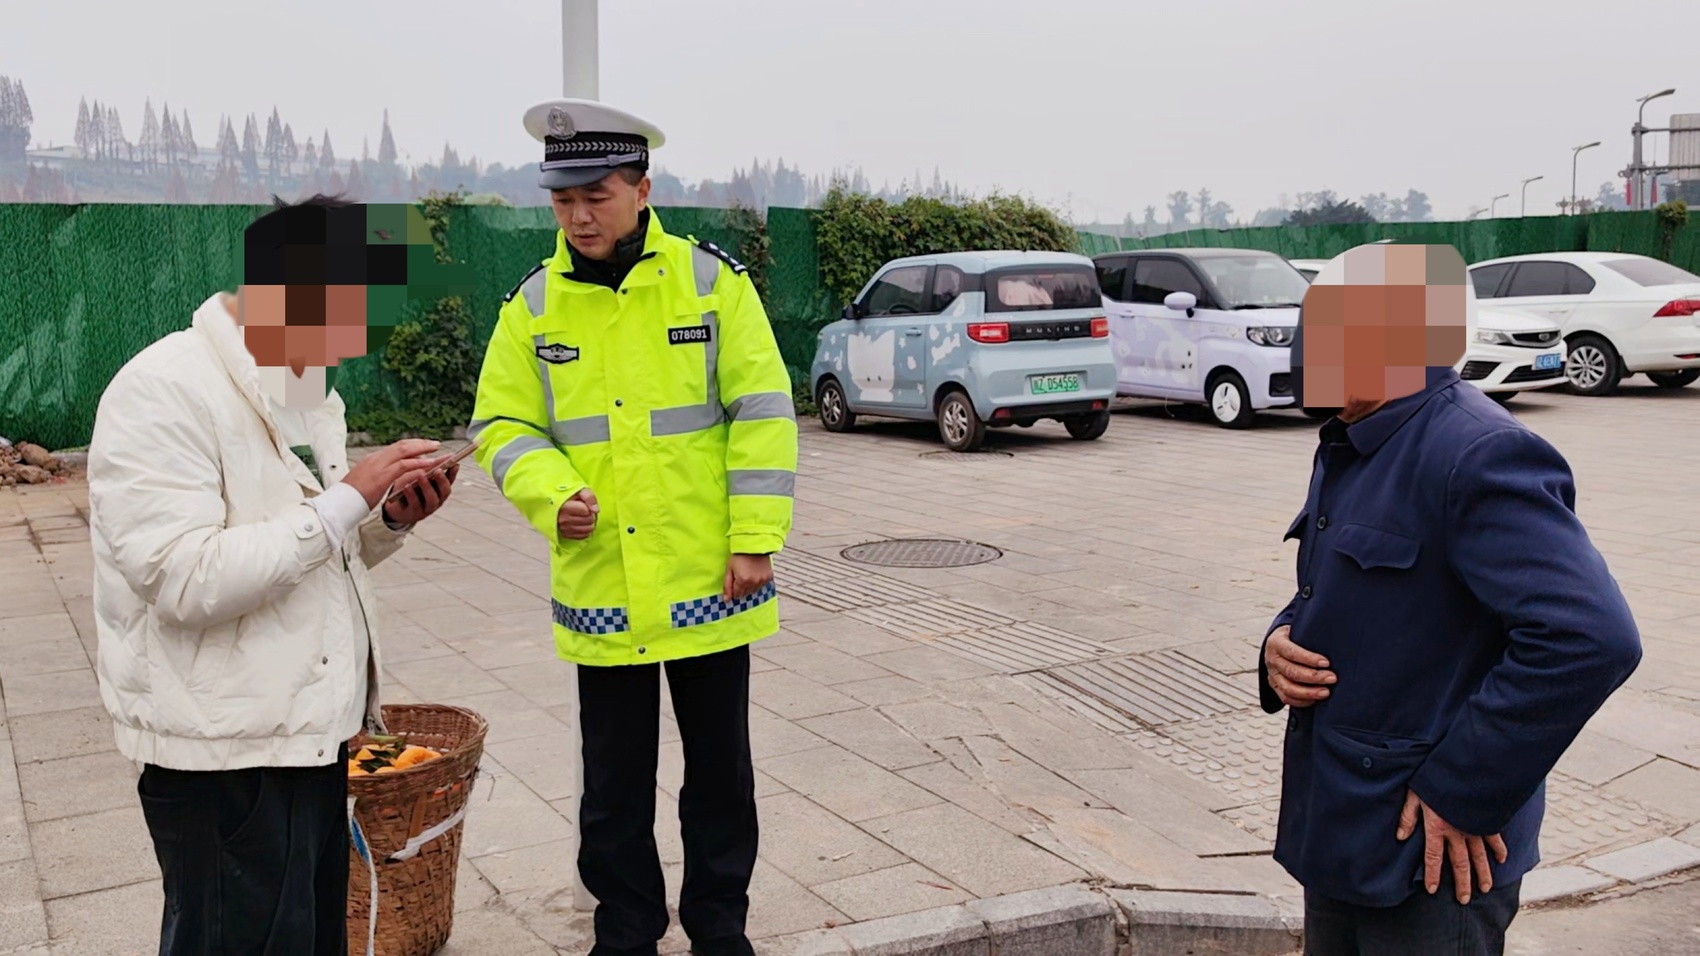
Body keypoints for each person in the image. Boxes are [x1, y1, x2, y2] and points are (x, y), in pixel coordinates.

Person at [88, 194, 461, 956]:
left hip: (310, 739)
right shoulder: (162, 389)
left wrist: (387, 519)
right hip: (224, 760)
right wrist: (345, 501)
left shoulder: (307, 392)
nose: (358, 340)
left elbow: (310, 558)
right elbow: (183, 578)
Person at [468, 99, 797, 956]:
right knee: (612, 787)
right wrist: (550, 493)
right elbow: (500, 425)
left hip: (708, 578)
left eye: (597, 196)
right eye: (562, 200)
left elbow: (764, 411)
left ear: (643, 190)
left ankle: (720, 929)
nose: (578, 216)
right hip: (603, 582)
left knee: (719, 777)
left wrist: (755, 539)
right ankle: (624, 933)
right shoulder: (532, 308)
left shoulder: (711, 284)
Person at [1259, 242, 1642, 956]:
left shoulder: (1478, 451)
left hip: (1432, 860)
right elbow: (1345, 582)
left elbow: (1590, 637)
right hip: (1343, 828)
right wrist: (1279, 643)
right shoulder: (1356, 436)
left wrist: (1463, 790)